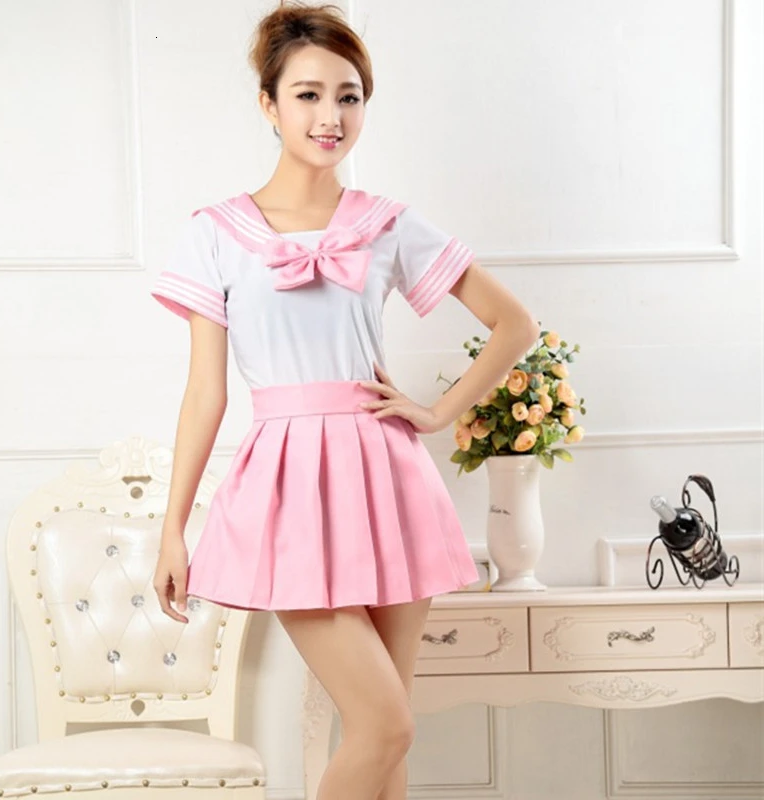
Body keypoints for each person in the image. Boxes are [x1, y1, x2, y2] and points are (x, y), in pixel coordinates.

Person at [150, 3, 539, 798]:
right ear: (269, 104)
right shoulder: (216, 233)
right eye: (308, 95)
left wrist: (436, 413)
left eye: (349, 96)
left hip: (386, 478)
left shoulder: (387, 224)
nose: (331, 116)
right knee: (385, 726)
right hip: (288, 487)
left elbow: (515, 325)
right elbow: (205, 394)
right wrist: (172, 529)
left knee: (386, 740)